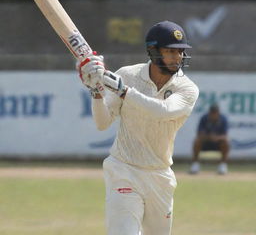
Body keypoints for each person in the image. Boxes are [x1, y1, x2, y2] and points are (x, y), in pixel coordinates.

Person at [78, 21, 199, 235]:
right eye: (170, 51)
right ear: (153, 51)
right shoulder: (128, 75)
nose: (178, 57)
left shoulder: (187, 88)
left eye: (180, 52)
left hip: (159, 175)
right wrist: (97, 92)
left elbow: (162, 111)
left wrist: (124, 91)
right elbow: (102, 123)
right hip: (123, 168)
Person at [190, 104, 229, 175]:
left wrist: (216, 138)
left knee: (226, 142)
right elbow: (199, 134)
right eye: (212, 113)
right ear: (209, 113)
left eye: (215, 113)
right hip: (206, 142)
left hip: (218, 144)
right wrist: (209, 137)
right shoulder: (204, 118)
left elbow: (225, 136)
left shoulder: (223, 119)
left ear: (218, 113)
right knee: (197, 141)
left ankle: (223, 166)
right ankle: (195, 165)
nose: (214, 115)